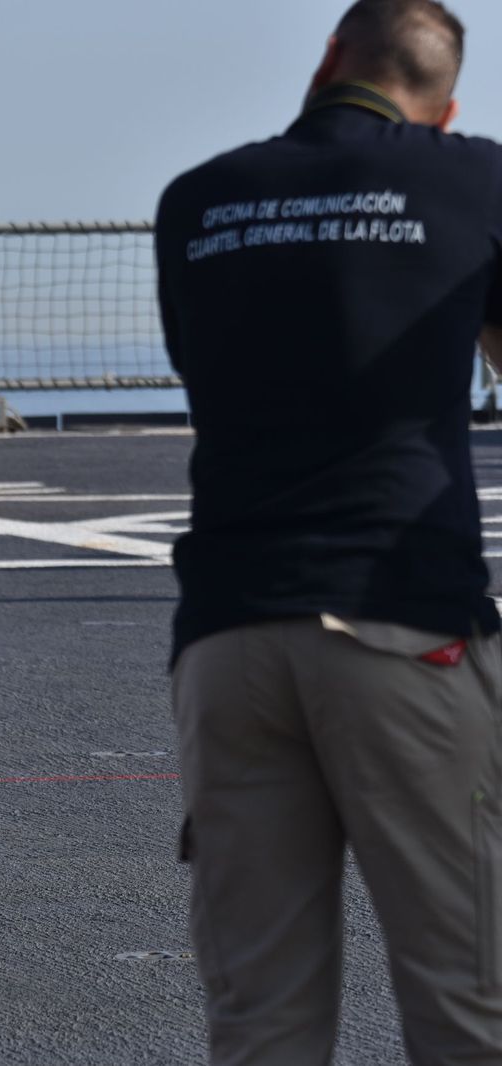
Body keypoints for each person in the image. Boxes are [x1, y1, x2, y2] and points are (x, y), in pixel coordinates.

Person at [153, 2, 502, 1061]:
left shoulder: (198, 198)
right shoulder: (473, 177)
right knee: (467, 1002)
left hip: (227, 633)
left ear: (328, 60)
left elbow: (228, 367)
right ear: (444, 108)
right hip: (400, 618)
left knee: (259, 1018)